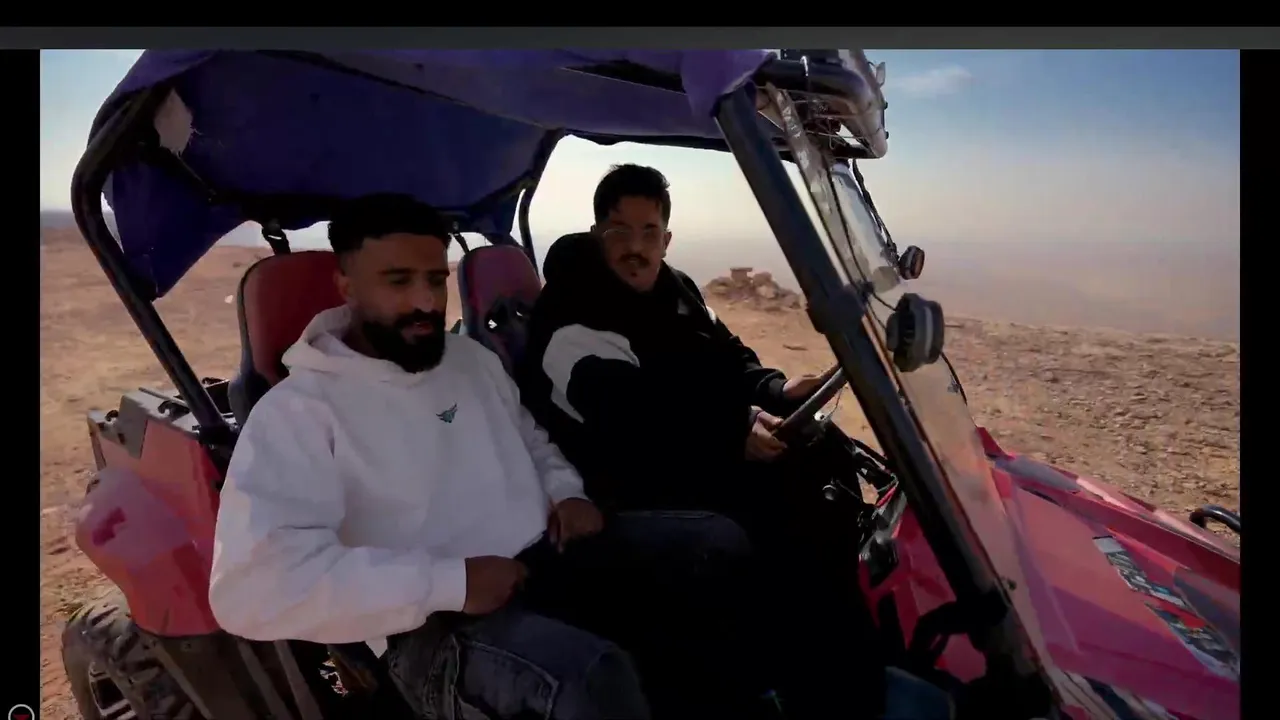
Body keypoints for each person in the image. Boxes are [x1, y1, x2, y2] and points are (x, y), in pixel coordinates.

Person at [207, 193, 768, 720]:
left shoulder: (469, 359)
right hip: (432, 625)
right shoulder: (299, 412)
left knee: (715, 544)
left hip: (546, 555)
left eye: (435, 279)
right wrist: (450, 583)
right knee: (587, 676)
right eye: (398, 281)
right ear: (346, 286)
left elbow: (528, 436)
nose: (425, 302)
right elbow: (251, 588)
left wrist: (566, 491)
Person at [518, 165, 955, 720]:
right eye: (619, 231)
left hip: (689, 456)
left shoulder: (676, 290)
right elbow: (632, 412)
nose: (635, 247)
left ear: (666, 239)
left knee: (824, 456)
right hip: (627, 483)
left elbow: (727, 357)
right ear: (597, 234)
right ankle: (810, 687)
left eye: (649, 232)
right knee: (783, 506)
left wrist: (775, 389)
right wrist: (732, 429)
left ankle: (844, 655)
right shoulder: (573, 317)